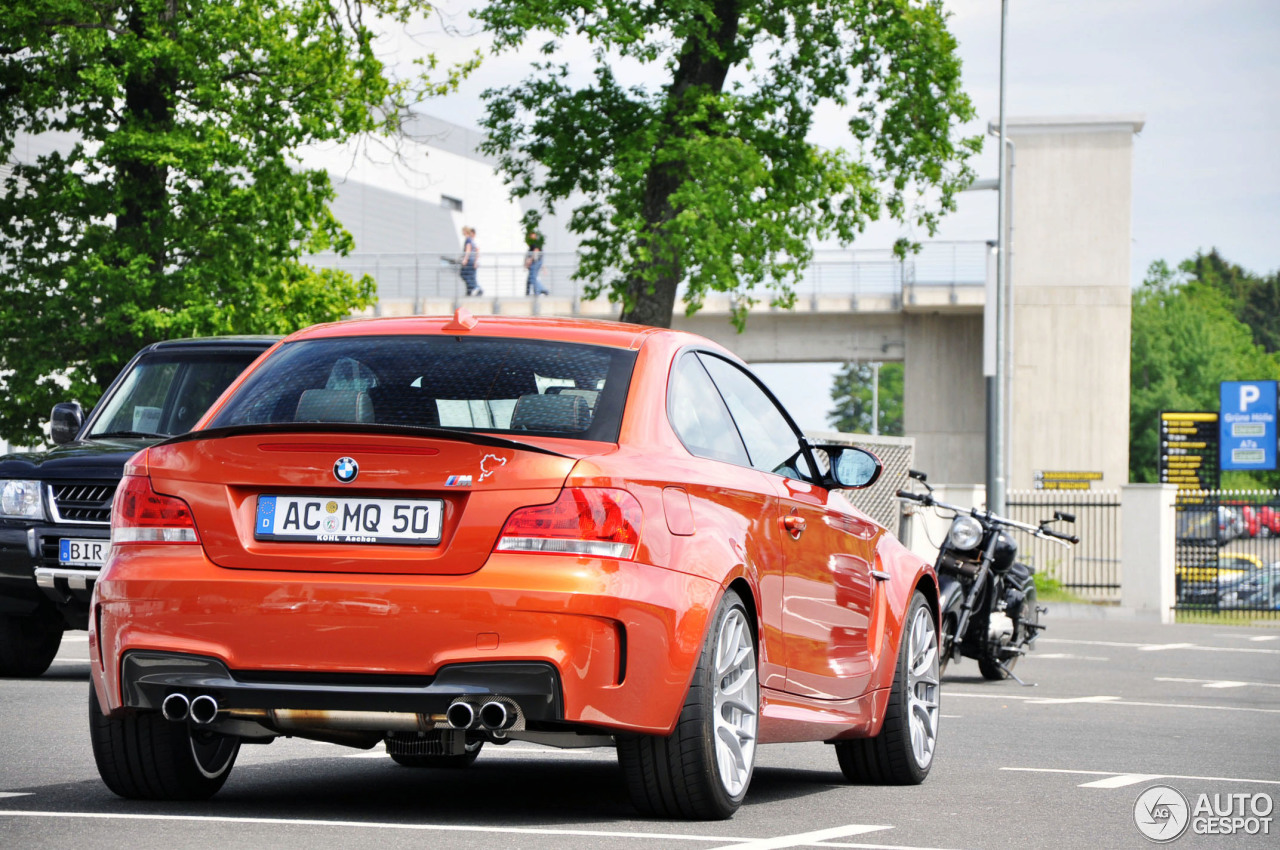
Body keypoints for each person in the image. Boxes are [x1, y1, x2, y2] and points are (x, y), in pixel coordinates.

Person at [459, 226, 481, 296]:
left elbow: (468, 250)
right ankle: (470, 290)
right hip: (472, 261)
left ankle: (475, 288)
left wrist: (465, 259)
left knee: (464, 274)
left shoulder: (468, 240)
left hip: (469, 261)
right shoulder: (471, 240)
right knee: (470, 276)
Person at [524, 231, 548, 296]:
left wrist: (530, 261)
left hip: (535, 262)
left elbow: (536, 252)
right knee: (530, 279)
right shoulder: (533, 243)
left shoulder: (536, 243)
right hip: (535, 262)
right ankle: (529, 293)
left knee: (532, 278)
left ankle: (541, 291)